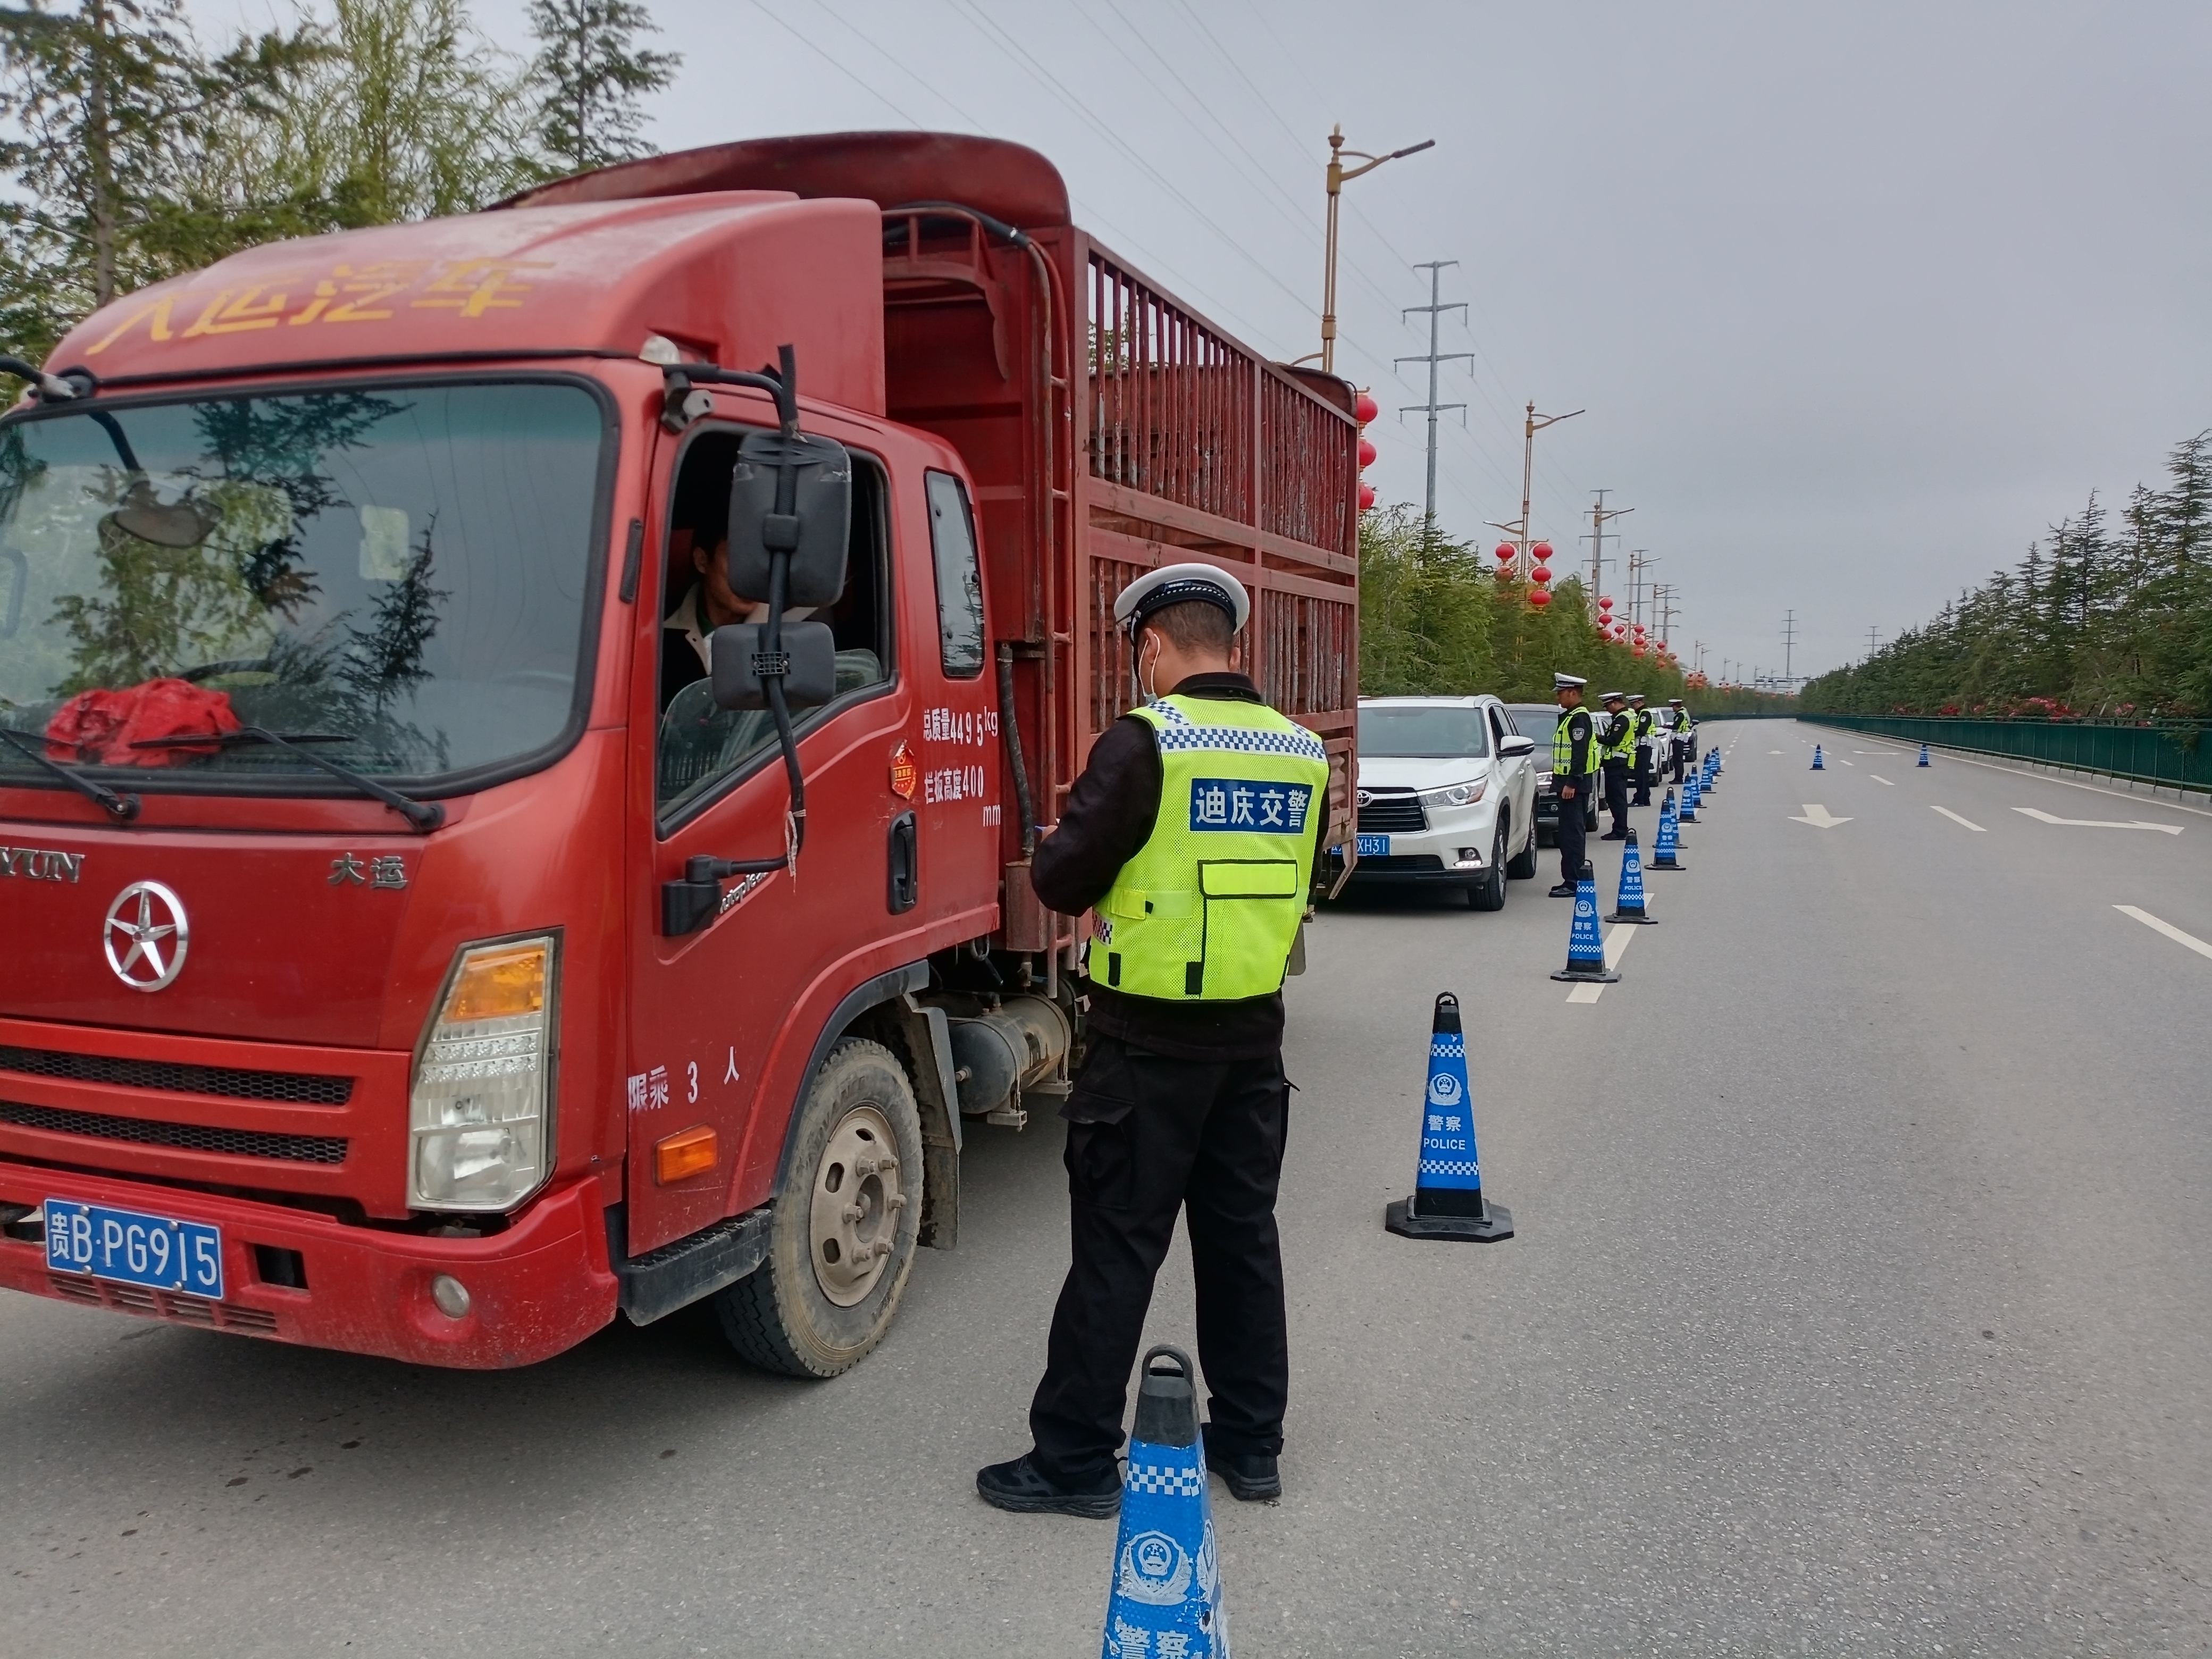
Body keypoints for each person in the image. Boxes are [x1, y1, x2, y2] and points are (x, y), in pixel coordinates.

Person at [976, 563, 1330, 1519]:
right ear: (1235, 646)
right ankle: (1251, 1446)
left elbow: (1062, 880)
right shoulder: (1303, 754)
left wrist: (1062, 845)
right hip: (1253, 1046)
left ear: (1153, 646)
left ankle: (1075, 1461)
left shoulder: (1145, 742)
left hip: (1147, 1048)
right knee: (1242, 1245)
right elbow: (1300, 877)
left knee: (1117, 1252)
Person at [660, 531, 813, 710]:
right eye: (739, 560)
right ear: (702, 561)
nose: (752, 577)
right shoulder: (655, 632)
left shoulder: (796, 633)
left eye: (764, 561)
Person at [1548, 673, 1595, 896]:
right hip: (1567, 784)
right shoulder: (1570, 717)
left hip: (1573, 786)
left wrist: (1572, 783)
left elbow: (1579, 754)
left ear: (1572, 693)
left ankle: (1574, 882)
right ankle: (1571, 879)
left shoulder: (1579, 718)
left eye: (1561, 693)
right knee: (1567, 834)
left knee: (1573, 835)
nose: (1558, 697)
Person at [1596, 690, 1633, 840]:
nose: (1607, 710)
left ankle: (1620, 830)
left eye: (1608, 706)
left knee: (1617, 799)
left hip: (1617, 764)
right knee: (1616, 798)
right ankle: (1619, 828)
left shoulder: (1622, 719)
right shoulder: (1624, 716)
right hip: (1617, 763)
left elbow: (1614, 741)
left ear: (1615, 703)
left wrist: (1597, 737)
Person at [1629, 693, 1655, 806]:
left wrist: (1628, 733)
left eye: (1633, 704)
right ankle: (1645, 798)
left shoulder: (1645, 714)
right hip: (1641, 747)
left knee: (1641, 774)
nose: (1632, 707)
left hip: (1643, 747)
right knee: (1642, 774)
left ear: (1639, 702)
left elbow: (1641, 730)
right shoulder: (1640, 714)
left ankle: (1640, 799)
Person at [1668, 697, 1690, 784]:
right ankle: (1678, 778)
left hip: (1678, 738)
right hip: (1680, 738)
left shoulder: (1680, 714)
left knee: (1678, 760)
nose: (1673, 709)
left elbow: (1676, 726)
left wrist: (1666, 726)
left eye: (1673, 707)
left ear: (1676, 706)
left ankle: (1679, 779)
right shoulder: (1684, 712)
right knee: (1678, 759)